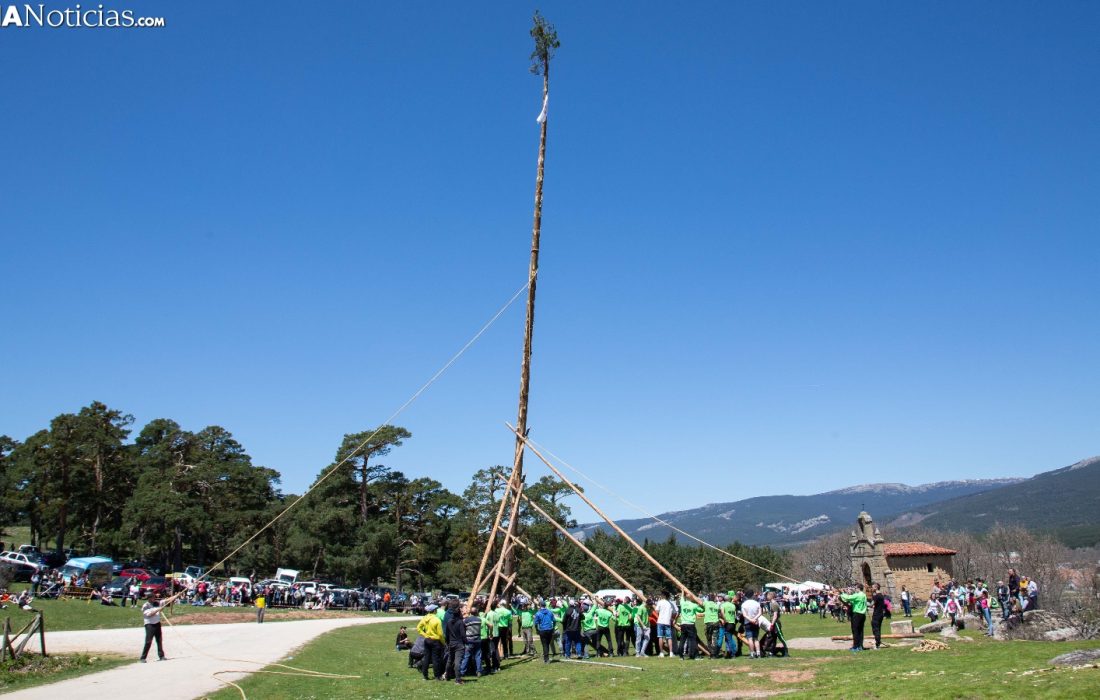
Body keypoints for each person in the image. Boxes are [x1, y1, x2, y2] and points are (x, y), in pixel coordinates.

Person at [416, 604, 445, 681]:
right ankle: (437, 676)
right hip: (435, 640)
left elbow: (418, 628)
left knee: (427, 658)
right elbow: (440, 634)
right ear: (434, 611)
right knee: (435, 659)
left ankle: (425, 675)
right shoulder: (437, 620)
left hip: (427, 640)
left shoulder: (425, 618)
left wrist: (425, 635)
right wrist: (443, 642)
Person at [839, 585, 867, 652]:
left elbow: (848, 597)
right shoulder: (864, 595)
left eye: (856, 588)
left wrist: (842, 593)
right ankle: (860, 646)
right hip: (863, 614)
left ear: (858, 588)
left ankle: (855, 646)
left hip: (857, 614)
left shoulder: (857, 595)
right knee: (860, 631)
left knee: (855, 631)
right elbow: (854, 601)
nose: (855, 589)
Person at [140, 593, 167, 662]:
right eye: (152, 597)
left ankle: (161, 656)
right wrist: (158, 609)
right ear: (149, 598)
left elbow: (166, 601)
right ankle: (143, 658)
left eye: (154, 597)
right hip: (149, 624)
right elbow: (149, 614)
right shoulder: (145, 606)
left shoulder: (156, 603)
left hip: (157, 623)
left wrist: (176, 596)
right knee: (148, 641)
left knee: (159, 640)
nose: (154, 598)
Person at [677, 593, 702, 660]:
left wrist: (682, 591)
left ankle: (681, 656)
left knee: (682, 640)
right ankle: (694, 656)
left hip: (683, 624)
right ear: (691, 598)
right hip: (690, 624)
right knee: (693, 640)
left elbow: (682, 597)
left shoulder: (682, 603)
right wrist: (699, 603)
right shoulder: (694, 605)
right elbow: (701, 610)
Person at [461, 602, 483, 678]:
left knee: (466, 656)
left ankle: (462, 671)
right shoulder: (479, 620)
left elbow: (463, 627)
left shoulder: (466, 620)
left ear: (470, 612)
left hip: (469, 640)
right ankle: (479, 671)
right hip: (477, 640)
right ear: (476, 612)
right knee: (478, 656)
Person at [740, 589, 763, 658]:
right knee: (756, 638)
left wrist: (750, 620)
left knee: (750, 639)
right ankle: (758, 653)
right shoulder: (756, 603)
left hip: (748, 622)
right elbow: (760, 612)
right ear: (753, 595)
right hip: (756, 622)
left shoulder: (744, 604)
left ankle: (752, 653)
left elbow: (744, 615)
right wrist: (755, 619)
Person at [534, 599, 556, 663]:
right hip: (550, 629)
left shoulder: (538, 613)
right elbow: (554, 621)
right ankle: (546, 657)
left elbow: (536, 623)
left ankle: (546, 659)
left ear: (540, 606)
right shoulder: (550, 612)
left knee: (544, 644)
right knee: (547, 644)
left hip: (543, 630)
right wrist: (553, 627)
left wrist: (537, 630)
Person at [655, 591, 675, 657]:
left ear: (663, 595)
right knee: (669, 637)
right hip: (667, 622)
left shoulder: (660, 602)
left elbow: (656, 611)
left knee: (660, 637)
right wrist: (673, 619)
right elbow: (674, 612)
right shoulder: (671, 604)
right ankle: (671, 653)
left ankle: (661, 653)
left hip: (660, 621)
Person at [870, 583, 886, 649]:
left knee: (875, 629)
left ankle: (877, 644)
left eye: (873, 587)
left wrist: (866, 603)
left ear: (876, 588)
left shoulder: (876, 596)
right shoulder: (881, 595)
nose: (872, 588)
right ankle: (878, 642)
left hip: (876, 614)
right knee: (878, 628)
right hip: (881, 614)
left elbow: (871, 604)